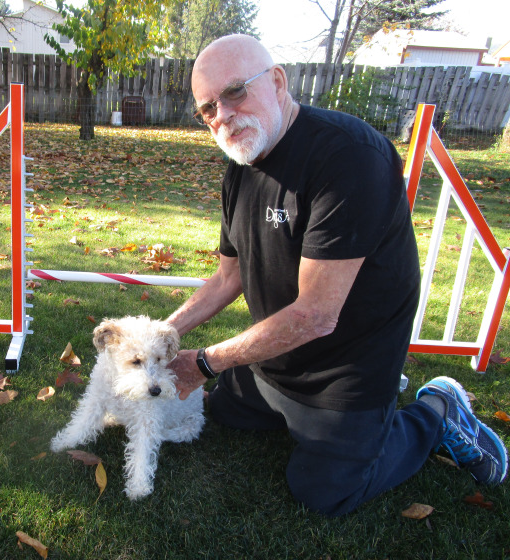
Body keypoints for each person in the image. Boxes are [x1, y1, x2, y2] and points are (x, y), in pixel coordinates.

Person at [165, 34, 508, 517]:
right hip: (276, 358)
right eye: (207, 109)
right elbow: (228, 276)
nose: (222, 114)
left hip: (347, 370)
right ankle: (284, 406)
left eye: (235, 91)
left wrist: (204, 362)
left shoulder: (349, 156)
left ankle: (434, 414)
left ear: (278, 81)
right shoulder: (239, 168)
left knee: (322, 492)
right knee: (221, 412)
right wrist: (161, 335)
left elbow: (316, 315)